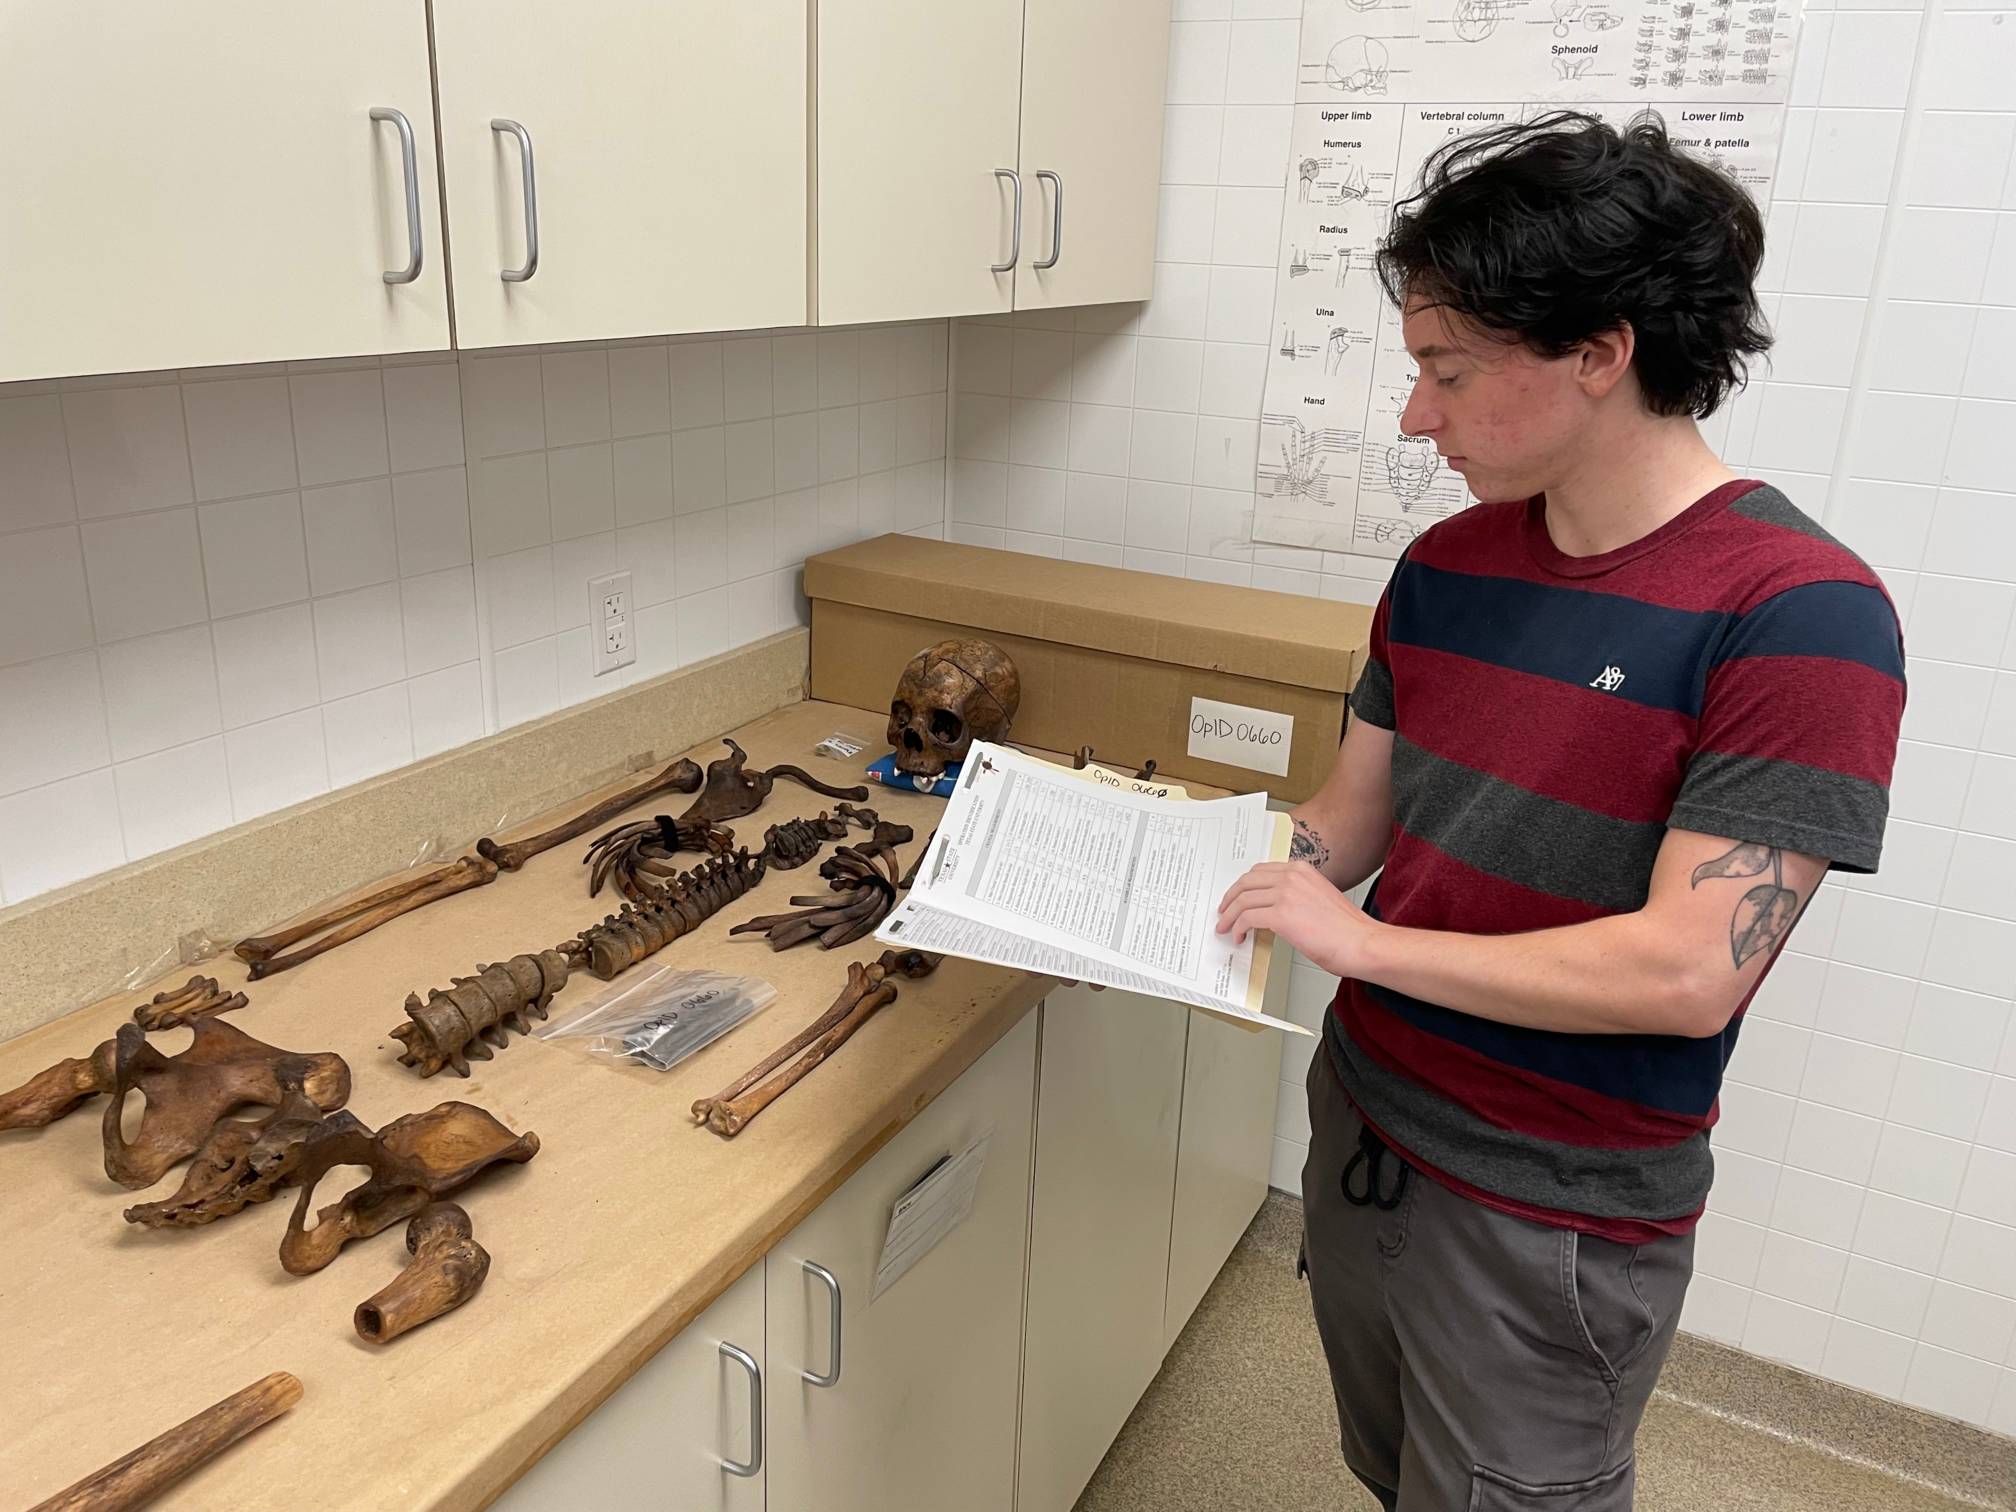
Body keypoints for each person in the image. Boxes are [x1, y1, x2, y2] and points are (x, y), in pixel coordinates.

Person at [1215, 111, 1906, 1511]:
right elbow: (1352, 822)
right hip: (1364, 1121)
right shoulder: (1446, 566)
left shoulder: (1803, 617)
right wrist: (1181, 867)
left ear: (1602, 353)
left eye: (1447, 372)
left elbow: (1687, 971)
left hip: (1548, 1203)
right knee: (1393, 1463)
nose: (1417, 416)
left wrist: (1362, 949)